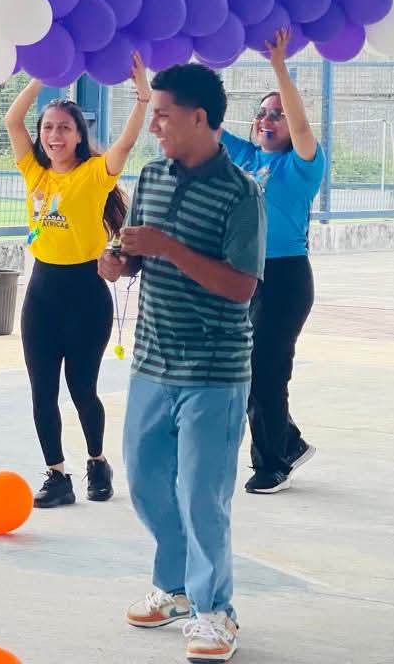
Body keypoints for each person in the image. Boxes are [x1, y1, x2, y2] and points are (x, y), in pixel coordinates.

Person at [101, 63, 264, 664]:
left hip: (213, 372)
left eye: (163, 116)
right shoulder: (151, 177)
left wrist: (167, 247)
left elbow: (241, 286)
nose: (155, 127)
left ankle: (215, 610)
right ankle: (173, 587)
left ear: (199, 118)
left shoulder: (242, 194)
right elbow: (137, 253)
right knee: (145, 482)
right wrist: (119, 263)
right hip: (151, 362)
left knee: (202, 495)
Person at [2, 58, 151, 508]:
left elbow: (127, 142)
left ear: (79, 136)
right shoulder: (35, 173)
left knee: (82, 388)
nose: (54, 135)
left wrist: (142, 95)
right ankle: (56, 475)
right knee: (42, 391)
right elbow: (12, 120)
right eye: (48, 127)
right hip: (42, 294)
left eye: (64, 128)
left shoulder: (95, 173)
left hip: (86, 296)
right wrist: (42, 75)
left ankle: (97, 462)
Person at [221, 28, 325, 495]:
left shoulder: (302, 164)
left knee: (267, 367)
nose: (268, 120)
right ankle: (289, 441)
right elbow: (202, 124)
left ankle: (272, 463)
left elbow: (301, 128)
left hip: (285, 278)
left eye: (277, 115)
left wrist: (279, 65)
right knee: (245, 368)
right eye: (262, 113)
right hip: (247, 276)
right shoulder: (245, 157)